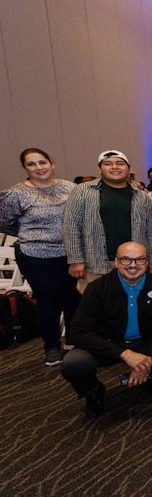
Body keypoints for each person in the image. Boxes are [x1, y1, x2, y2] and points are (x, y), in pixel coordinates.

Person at [60, 242, 152, 416]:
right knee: (73, 363)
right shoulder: (97, 288)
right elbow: (78, 332)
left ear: (147, 262)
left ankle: (146, 374)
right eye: (126, 260)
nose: (132, 265)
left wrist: (148, 358)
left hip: (145, 344)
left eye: (139, 260)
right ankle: (93, 391)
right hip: (108, 345)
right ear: (116, 262)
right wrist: (125, 354)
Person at [0, 148, 81, 365]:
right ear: (25, 168)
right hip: (36, 255)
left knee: (73, 298)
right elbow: (5, 223)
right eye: (32, 164)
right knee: (48, 300)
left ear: (51, 163)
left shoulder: (70, 188)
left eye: (42, 162)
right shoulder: (16, 194)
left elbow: (79, 217)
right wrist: (33, 235)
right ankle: (52, 347)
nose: (39, 168)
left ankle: (73, 339)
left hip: (70, 253)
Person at [63, 150, 152, 294]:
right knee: (96, 307)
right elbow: (71, 226)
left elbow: (149, 230)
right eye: (108, 164)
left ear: (129, 169)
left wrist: (150, 259)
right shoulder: (82, 191)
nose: (114, 167)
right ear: (99, 169)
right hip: (95, 261)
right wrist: (75, 260)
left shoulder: (141, 196)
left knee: (131, 303)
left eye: (120, 163)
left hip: (132, 263)